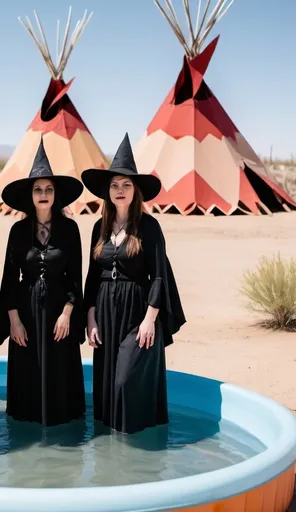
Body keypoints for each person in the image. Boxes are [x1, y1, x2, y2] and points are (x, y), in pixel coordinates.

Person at [81, 132, 186, 435]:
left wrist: (150, 319)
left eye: (126, 184)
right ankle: (111, 448)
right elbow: (91, 276)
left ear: (135, 190)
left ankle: (136, 442)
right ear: (107, 192)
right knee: (106, 385)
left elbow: (159, 276)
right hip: (105, 313)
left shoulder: (149, 227)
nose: (120, 189)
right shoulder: (98, 229)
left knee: (124, 380)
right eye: (114, 185)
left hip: (137, 314)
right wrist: (90, 318)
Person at [0, 138, 86, 426]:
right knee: (27, 371)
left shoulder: (70, 229)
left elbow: (75, 277)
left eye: (48, 189)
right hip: (26, 311)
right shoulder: (18, 231)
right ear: (30, 196)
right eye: (38, 190)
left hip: (60, 311)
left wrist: (67, 314)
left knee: (60, 368)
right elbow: (9, 280)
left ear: (56, 195)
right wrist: (14, 320)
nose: (43, 194)